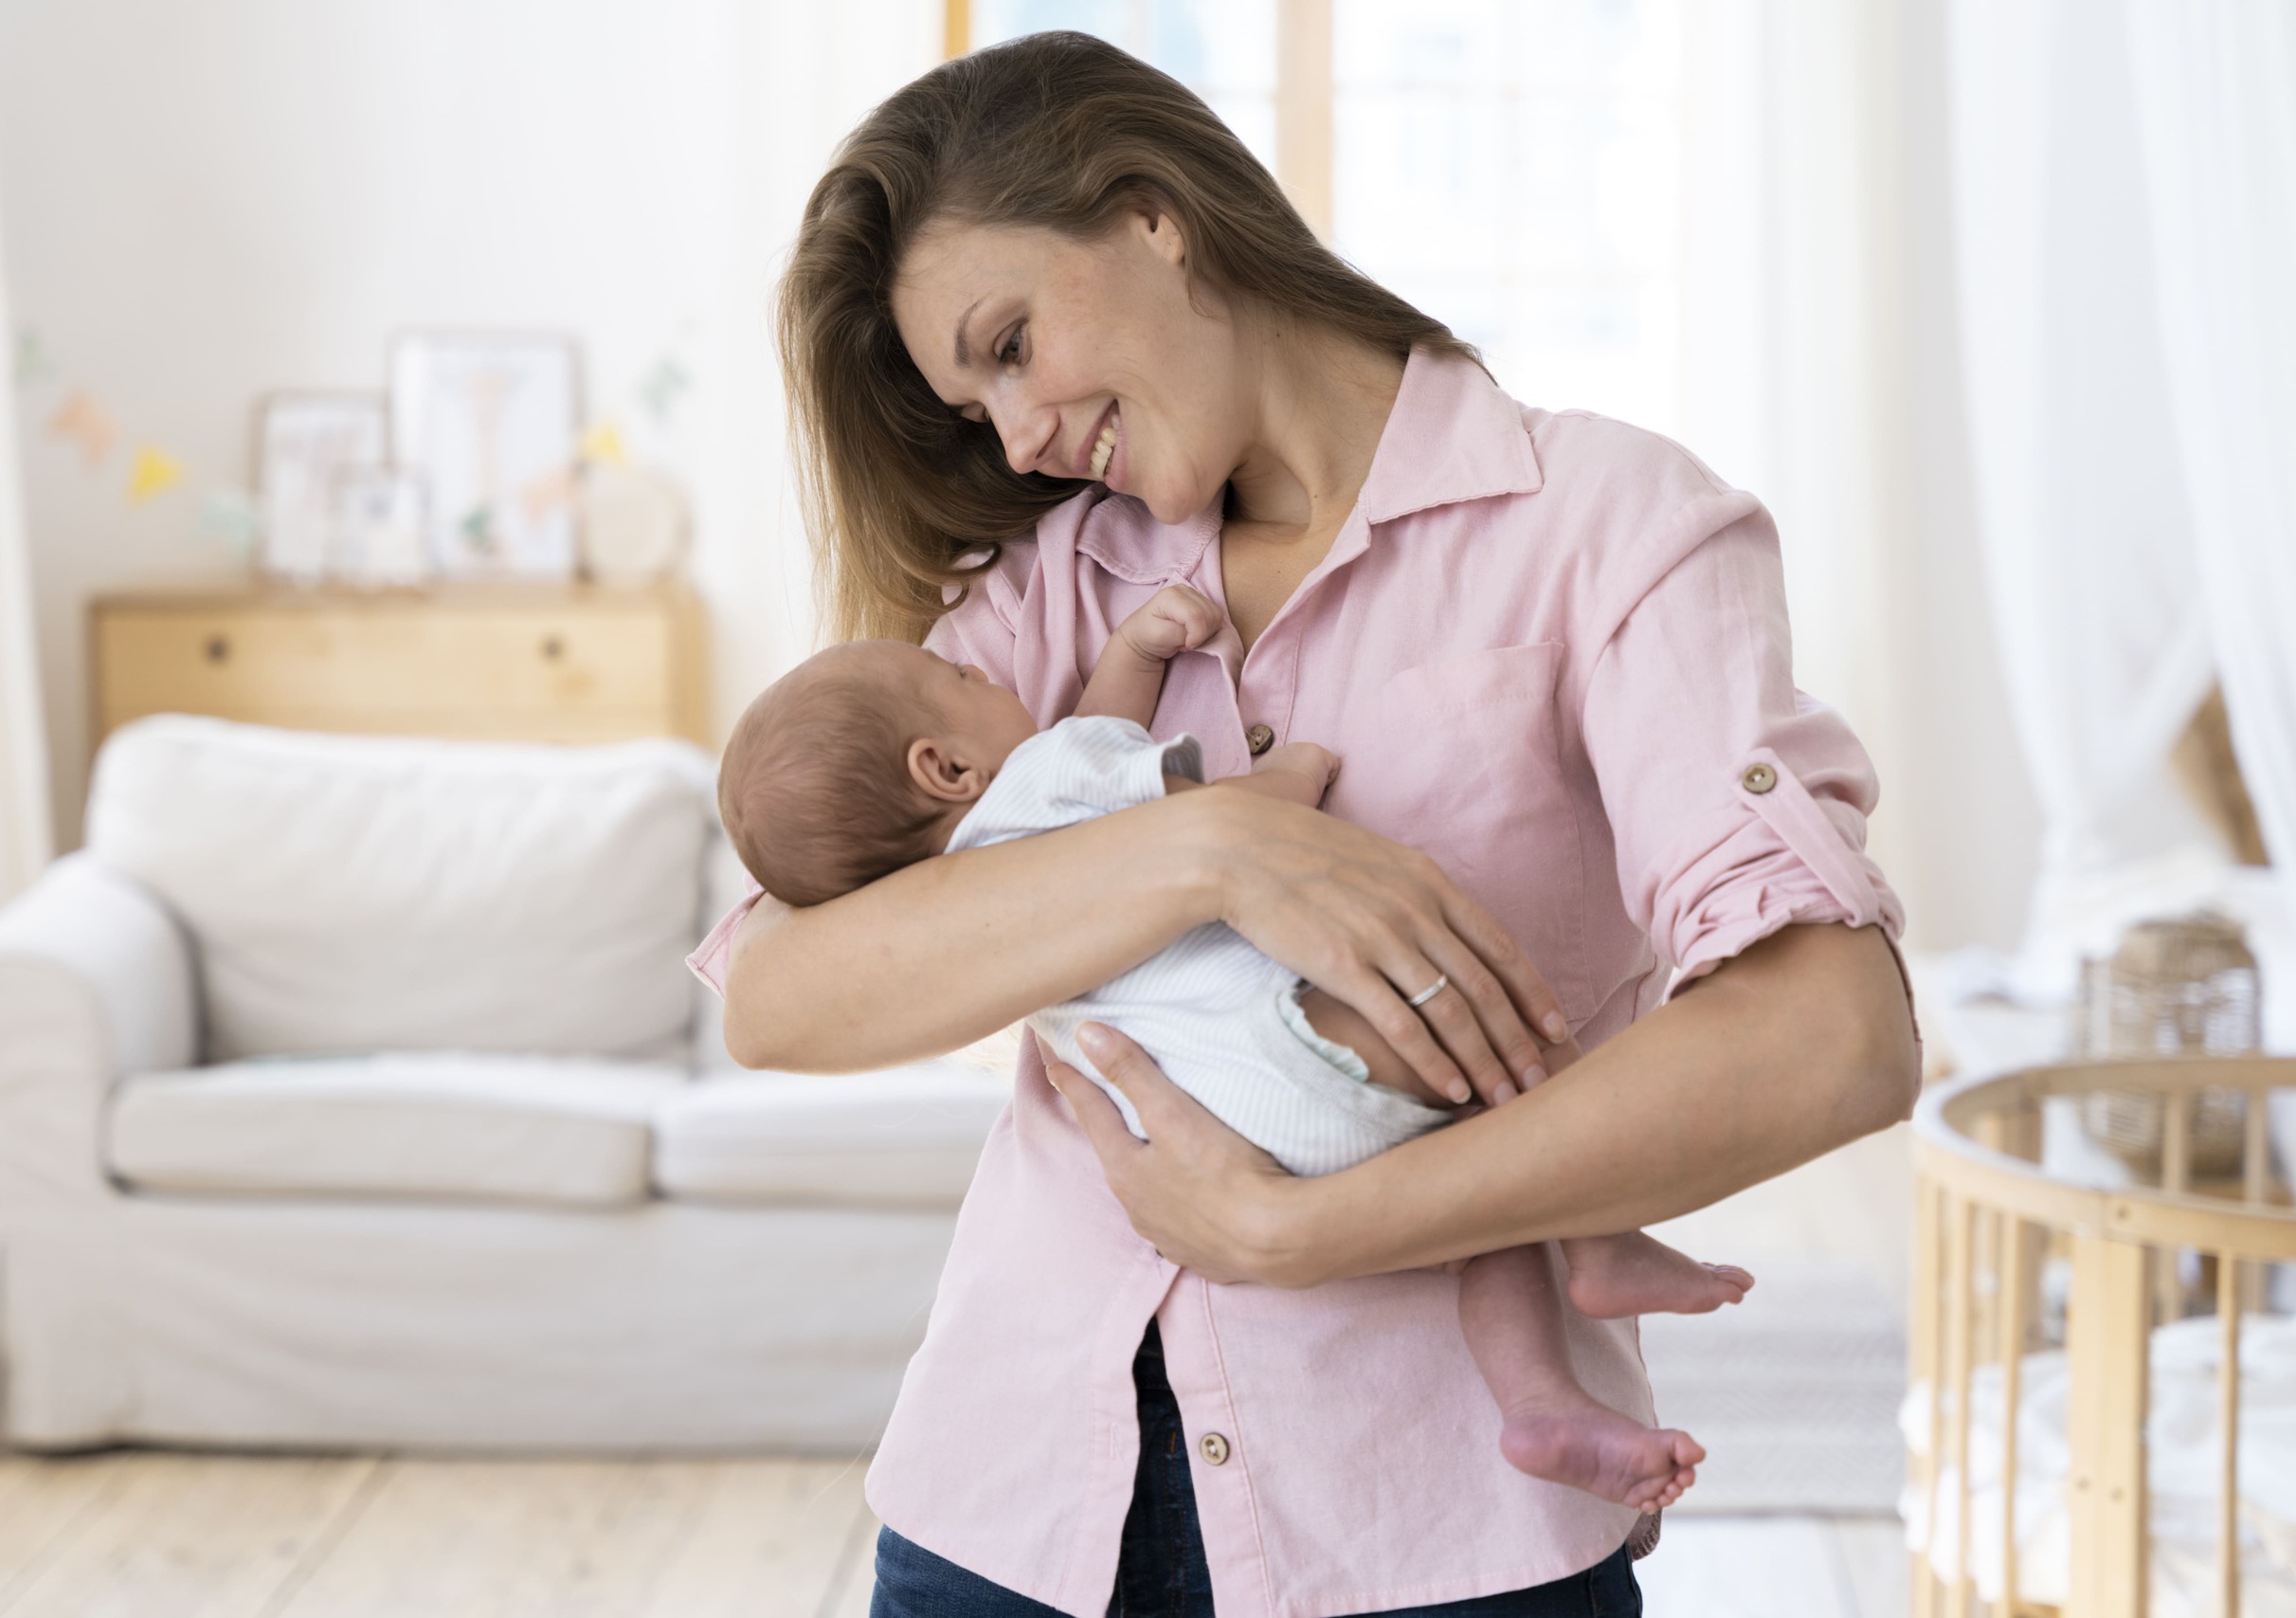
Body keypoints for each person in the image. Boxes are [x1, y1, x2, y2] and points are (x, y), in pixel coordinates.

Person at [694, 29, 1921, 1618]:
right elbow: (785, 997)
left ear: (1152, 214)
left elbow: (1837, 1034)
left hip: (1442, 1533)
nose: (1014, 441)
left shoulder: (1610, 530)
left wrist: (1305, 1230)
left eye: (1009, 343)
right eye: (971, 402)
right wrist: (1205, 848)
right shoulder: (1055, 586)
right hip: (1012, 1510)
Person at [718, 588, 1754, 1516]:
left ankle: (1543, 1408)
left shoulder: (968, 889)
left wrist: (1130, 645)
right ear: (943, 765)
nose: (979, 669)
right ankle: (1597, 1244)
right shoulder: (1042, 779)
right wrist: (1295, 774)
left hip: (1220, 1121)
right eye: (959, 678)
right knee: (1509, 1038)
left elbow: (1093, 738)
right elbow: (1212, 817)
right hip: (1296, 1045)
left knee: (1487, 1213)